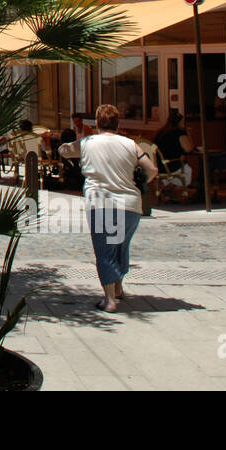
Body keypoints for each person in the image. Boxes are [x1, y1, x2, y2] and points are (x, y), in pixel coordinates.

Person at [57, 104, 158, 313]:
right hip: (130, 205)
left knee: (105, 251)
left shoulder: (88, 142)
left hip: (102, 203)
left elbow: (65, 152)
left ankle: (109, 300)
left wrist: (62, 145)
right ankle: (119, 287)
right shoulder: (131, 144)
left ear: (97, 122)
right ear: (117, 122)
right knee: (120, 245)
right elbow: (152, 169)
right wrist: (141, 183)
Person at [153, 109, 195, 198]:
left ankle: (168, 189)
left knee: (180, 171)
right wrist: (189, 134)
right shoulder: (179, 133)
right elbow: (189, 149)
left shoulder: (160, 133)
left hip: (159, 166)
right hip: (173, 165)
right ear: (180, 122)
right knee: (188, 170)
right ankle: (169, 189)